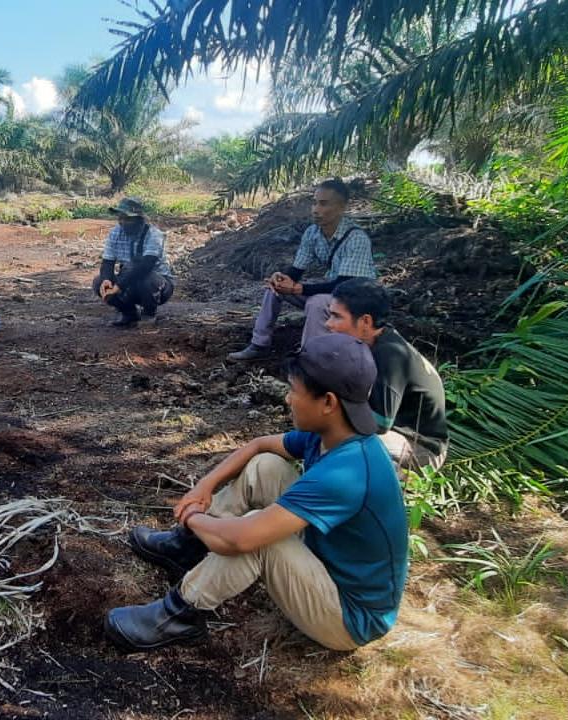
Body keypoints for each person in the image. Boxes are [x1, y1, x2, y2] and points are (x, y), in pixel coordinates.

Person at [105, 333, 407, 654]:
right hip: (327, 558)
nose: (288, 399)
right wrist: (204, 487)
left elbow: (242, 540)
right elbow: (259, 445)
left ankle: (179, 614)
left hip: (349, 618)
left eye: (294, 391)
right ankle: (186, 550)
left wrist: (193, 517)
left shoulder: (347, 472)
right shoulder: (333, 435)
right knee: (265, 465)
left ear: (329, 402)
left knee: (262, 537)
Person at [229, 178, 376, 361]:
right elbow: (297, 270)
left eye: (323, 204)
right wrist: (282, 278)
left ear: (342, 207)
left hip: (359, 299)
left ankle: (310, 359)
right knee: (275, 288)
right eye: (314, 203)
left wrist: (300, 289)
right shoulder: (313, 233)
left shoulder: (356, 238)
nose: (316, 209)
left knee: (317, 302)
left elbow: (345, 285)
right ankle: (259, 344)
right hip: (337, 293)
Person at [327, 278, 448, 473]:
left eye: (336, 317)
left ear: (366, 321)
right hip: (398, 434)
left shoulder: (389, 354)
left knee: (344, 442)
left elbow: (380, 423)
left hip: (423, 447)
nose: (329, 323)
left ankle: (395, 485)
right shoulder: (373, 342)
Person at [92, 197, 174, 328]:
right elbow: (107, 262)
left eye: (128, 219)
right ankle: (129, 314)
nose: (123, 222)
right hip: (128, 282)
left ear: (140, 219)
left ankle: (149, 314)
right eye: (121, 218)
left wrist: (118, 286)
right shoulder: (115, 233)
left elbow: (145, 266)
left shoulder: (154, 235)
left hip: (157, 285)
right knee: (98, 282)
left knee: (144, 276)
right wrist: (107, 280)